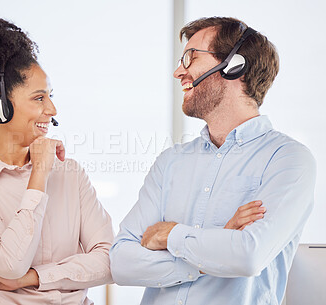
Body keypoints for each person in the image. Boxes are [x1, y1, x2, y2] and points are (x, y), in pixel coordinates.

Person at [110, 16, 316, 305]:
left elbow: (247, 255)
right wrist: (212, 250)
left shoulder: (287, 159)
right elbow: (121, 261)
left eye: (190, 58)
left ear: (235, 67)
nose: (178, 72)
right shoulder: (171, 162)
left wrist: (169, 235)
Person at [0, 15, 113, 305]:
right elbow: (11, 263)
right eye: (39, 98)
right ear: (0, 107)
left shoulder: (70, 173)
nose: (53, 109)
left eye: (50, 96)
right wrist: (39, 173)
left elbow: (111, 260)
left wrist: (33, 277)